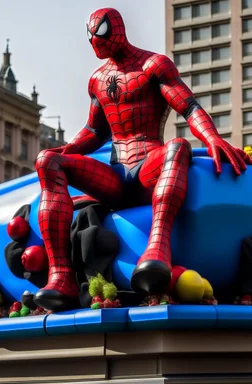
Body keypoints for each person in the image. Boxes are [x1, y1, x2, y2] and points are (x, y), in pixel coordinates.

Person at [34, 7, 252, 310]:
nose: (95, 42)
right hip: (115, 176)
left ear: (118, 30)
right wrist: (65, 151)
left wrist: (212, 138)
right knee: (47, 160)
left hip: (148, 165)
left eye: (100, 34)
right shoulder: (97, 79)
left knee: (178, 146)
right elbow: (94, 131)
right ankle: (61, 276)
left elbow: (188, 107)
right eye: (90, 36)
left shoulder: (153, 65)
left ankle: (157, 250)